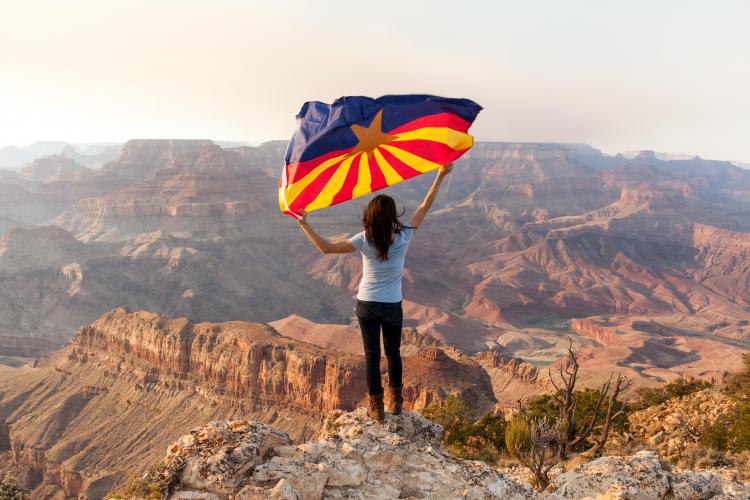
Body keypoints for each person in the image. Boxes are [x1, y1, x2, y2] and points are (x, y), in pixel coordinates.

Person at [296, 162, 453, 422]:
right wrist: (440, 175)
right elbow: (425, 206)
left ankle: (377, 407)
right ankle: (397, 402)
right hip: (392, 305)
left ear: (369, 216)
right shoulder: (403, 236)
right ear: (392, 216)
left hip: (367, 304)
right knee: (393, 354)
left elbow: (326, 248)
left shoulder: (364, 239)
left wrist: (304, 224)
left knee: (371, 356)